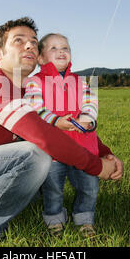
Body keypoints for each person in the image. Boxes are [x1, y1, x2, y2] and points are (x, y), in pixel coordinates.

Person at [0, 17, 123, 245]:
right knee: (37, 154)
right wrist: (96, 166)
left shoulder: (29, 89)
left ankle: (20, 198)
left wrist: (103, 153)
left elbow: (67, 127)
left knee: (43, 164)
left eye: (34, 42)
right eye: (19, 40)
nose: (29, 46)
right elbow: (44, 135)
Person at [24, 33, 105, 238]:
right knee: (52, 188)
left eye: (65, 48)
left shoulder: (81, 81)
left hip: (83, 146)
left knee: (89, 187)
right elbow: (34, 108)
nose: (61, 51)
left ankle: (84, 218)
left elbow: (90, 104)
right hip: (52, 150)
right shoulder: (34, 82)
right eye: (53, 48)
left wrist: (88, 120)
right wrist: (56, 121)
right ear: (41, 58)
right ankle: (54, 219)